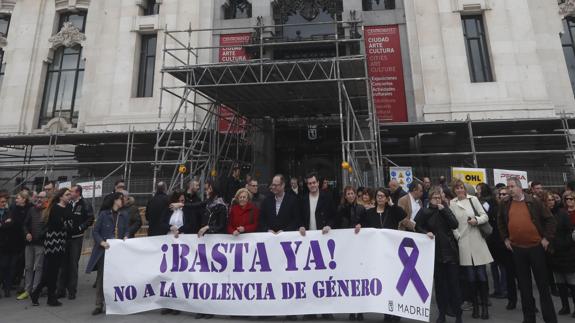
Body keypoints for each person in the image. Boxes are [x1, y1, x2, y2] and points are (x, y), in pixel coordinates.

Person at [498, 177, 557, 323]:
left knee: (543, 286)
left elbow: (550, 220)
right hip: (517, 250)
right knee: (524, 287)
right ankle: (529, 318)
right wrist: (505, 239)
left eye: (512, 186)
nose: (509, 189)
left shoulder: (533, 201)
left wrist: (546, 239)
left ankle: (550, 319)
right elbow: (500, 222)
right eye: (508, 186)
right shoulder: (505, 204)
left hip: (536, 248)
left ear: (519, 187)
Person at [415, 187, 462, 323]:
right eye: (435, 197)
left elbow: (454, 224)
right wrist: (425, 232)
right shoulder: (424, 211)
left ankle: (458, 315)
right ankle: (442, 314)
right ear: (430, 199)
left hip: (450, 253)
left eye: (439, 197)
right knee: (440, 287)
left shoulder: (445, 210)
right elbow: (416, 226)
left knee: (454, 286)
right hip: (435, 255)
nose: (437, 200)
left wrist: (444, 209)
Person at [450, 179, 493, 320]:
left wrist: (476, 220)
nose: (459, 190)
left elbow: (485, 216)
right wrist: (457, 236)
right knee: (470, 278)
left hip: (477, 240)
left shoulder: (473, 199)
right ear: (454, 190)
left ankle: (484, 306)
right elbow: (452, 223)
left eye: (461, 187)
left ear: (465, 188)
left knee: (481, 275)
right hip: (463, 242)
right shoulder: (452, 203)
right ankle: (475, 306)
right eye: (457, 188)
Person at [86, 192, 129, 315]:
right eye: (121, 199)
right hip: (104, 251)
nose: (123, 201)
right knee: (101, 278)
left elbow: (127, 230)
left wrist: (126, 236)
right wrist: (101, 242)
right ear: (115, 200)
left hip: (118, 252)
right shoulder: (104, 214)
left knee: (117, 278)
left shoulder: (124, 215)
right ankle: (99, 304)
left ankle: (116, 302)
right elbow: (95, 232)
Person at [30, 188, 72, 307]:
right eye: (67, 194)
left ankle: (40, 294)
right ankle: (47, 296)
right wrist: (66, 223)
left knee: (53, 271)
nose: (69, 196)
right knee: (51, 271)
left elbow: (70, 223)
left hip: (62, 241)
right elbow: (59, 224)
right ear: (61, 197)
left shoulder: (68, 207)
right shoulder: (55, 208)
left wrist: (66, 223)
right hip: (53, 242)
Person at [56, 185, 93, 300]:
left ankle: (72, 290)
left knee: (73, 264)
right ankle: (61, 290)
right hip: (65, 237)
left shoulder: (84, 204)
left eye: (71, 191)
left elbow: (90, 218)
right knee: (63, 264)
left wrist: (81, 227)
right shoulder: (67, 203)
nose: (70, 193)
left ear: (78, 193)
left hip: (76, 238)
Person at [336, 186, 366, 321]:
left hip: (359, 248)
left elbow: (367, 225)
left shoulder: (361, 209)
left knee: (358, 279)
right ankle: (350, 309)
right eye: (348, 193)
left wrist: (361, 226)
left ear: (355, 195)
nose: (350, 195)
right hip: (346, 247)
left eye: (352, 193)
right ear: (345, 195)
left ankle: (359, 310)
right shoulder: (340, 209)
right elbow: (337, 225)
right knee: (348, 279)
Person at [547, 190, 575, 317]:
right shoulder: (545, 214)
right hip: (553, 253)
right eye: (547, 200)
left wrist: (564, 244)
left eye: (552, 199)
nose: (550, 202)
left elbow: (569, 231)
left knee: (571, 281)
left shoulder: (562, 213)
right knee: (560, 282)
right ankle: (565, 306)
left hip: (566, 251)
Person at [18, 191, 47, 301]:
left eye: (42, 198)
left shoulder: (47, 211)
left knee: (38, 267)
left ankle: (35, 290)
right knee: (28, 267)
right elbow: (25, 224)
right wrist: (27, 233)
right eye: (38, 197)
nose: (39, 199)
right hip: (29, 243)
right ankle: (27, 290)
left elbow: (47, 227)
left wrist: (39, 235)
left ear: (46, 199)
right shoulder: (31, 210)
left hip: (40, 243)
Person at [7, 190, 31, 297]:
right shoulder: (13, 208)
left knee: (23, 263)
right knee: (13, 262)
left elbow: (26, 223)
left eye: (18, 198)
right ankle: (11, 281)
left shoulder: (29, 208)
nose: (16, 199)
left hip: (25, 239)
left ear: (24, 199)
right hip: (13, 239)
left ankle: (20, 283)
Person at [0, 190, 13, 298]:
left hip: (6, 244)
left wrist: (2, 224)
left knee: (5, 266)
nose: (3, 203)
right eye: (2, 201)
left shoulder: (8, 211)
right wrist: (5, 223)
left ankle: (7, 288)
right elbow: (6, 225)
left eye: (4, 201)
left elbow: (10, 225)